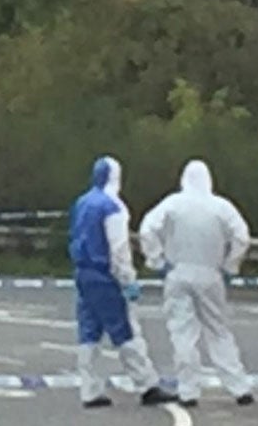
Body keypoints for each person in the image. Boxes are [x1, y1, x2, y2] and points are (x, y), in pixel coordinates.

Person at [139, 160, 256, 408]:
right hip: (210, 274)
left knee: (182, 333)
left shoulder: (173, 204)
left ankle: (188, 391)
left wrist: (158, 261)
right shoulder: (221, 207)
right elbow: (242, 236)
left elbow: (147, 229)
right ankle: (239, 387)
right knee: (218, 330)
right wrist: (230, 265)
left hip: (178, 273)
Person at [67, 156, 176, 409]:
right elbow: (118, 248)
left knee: (88, 333)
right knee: (125, 330)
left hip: (83, 273)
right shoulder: (113, 207)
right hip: (106, 276)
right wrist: (127, 279)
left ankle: (90, 390)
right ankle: (147, 384)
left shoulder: (82, 202)